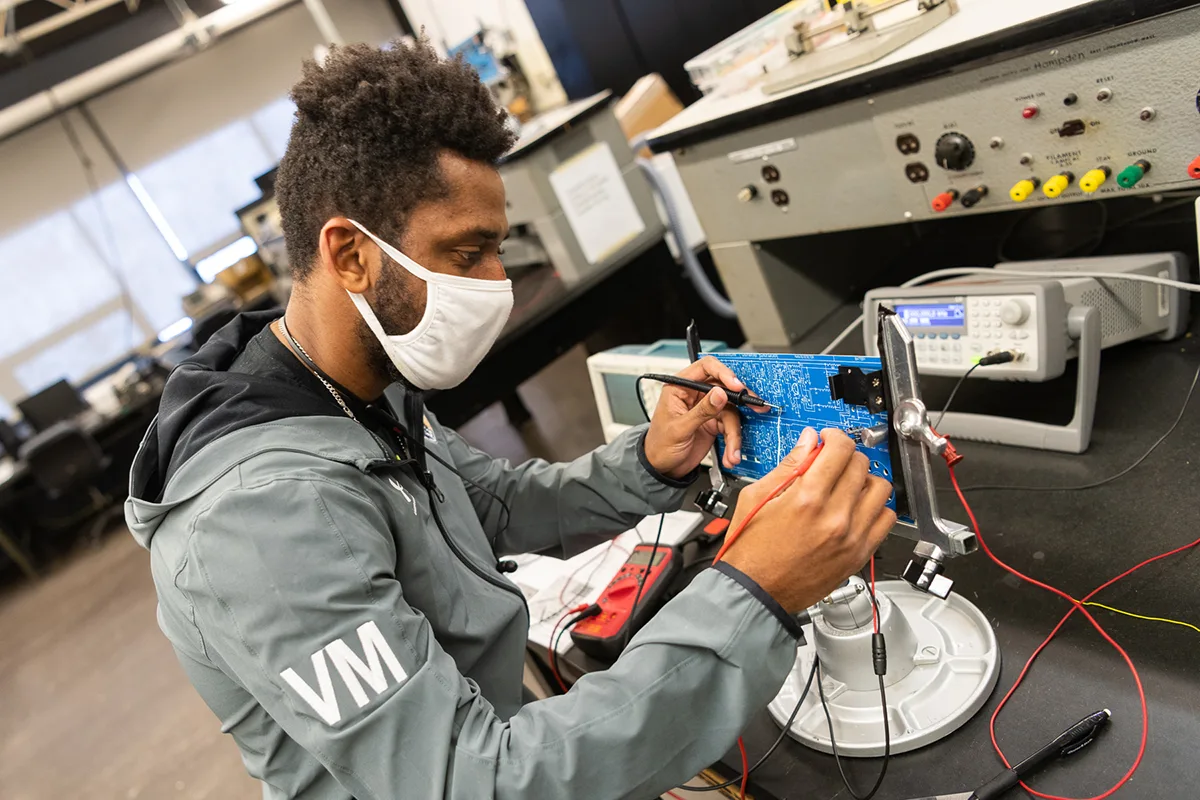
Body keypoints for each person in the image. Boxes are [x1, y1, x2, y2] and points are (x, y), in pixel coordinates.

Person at [127, 40, 895, 800]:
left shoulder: (351, 382)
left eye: (502, 247)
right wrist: (752, 590)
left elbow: (485, 503)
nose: (498, 285)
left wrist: (652, 463)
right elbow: (475, 782)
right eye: (468, 254)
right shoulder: (259, 523)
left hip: (507, 735)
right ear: (351, 255)